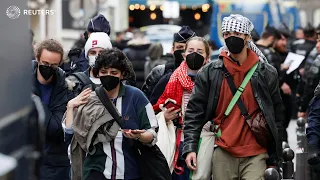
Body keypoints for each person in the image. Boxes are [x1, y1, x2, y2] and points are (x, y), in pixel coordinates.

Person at [183, 14, 284, 179]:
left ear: (247, 37)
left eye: (236, 34)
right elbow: (194, 113)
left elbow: (276, 116)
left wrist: (275, 157)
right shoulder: (210, 73)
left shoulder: (266, 73)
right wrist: (190, 148)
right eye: (227, 34)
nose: (231, 38)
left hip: (256, 153)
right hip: (223, 152)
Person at [62, 48, 158, 180]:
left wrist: (139, 136)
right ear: (97, 73)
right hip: (96, 171)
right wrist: (70, 107)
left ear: (122, 74)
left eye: (114, 72)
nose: (108, 76)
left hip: (130, 172)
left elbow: (152, 134)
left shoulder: (136, 97)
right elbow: (71, 135)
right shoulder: (89, 98)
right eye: (103, 72)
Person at [153, 37, 210, 179]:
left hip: (205, 142)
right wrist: (163, 117)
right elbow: (152, 109)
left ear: (207, 57)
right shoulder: (171, 79)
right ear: (184, 55)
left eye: (199, 51)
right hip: (179, 143)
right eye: (190, 51)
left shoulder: (213, 80)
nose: (194, 54)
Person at [32, 39, 70, 180]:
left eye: (54, 66)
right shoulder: (22, 79)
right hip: (29, 154)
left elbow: (55, 128)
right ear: (37, 59)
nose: (48, 68)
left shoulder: (63, 86)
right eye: (45, 64)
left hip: (54, 162)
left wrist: (35, 100)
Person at [141, 26, 196, 100]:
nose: (184, 53)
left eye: (189, 49)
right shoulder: (160, 72)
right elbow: (145, 103)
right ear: (173, 49)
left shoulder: (206, 74)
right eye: (180, 47)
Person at [66, 32, 113, 98]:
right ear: (87, 55)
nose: (97, 56)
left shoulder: (117, 81)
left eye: (102, 52)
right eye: (92, 53)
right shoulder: (75, 81)